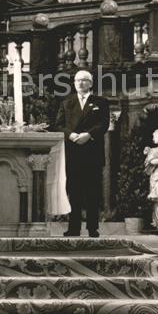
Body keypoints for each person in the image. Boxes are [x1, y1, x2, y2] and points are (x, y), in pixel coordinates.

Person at [55, 70, 110, 237]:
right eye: (77, 80)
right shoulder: (67, 103)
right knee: (74, 192)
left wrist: (89, 134)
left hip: (92, 152)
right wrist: (71, 135)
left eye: (84, 80)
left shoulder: (101, 102)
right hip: (73, 153)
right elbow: (58, 125)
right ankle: (74, 228)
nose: (80, 83)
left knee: (92, 192)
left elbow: (104, 124)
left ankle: (93, 228)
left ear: (91, 83)